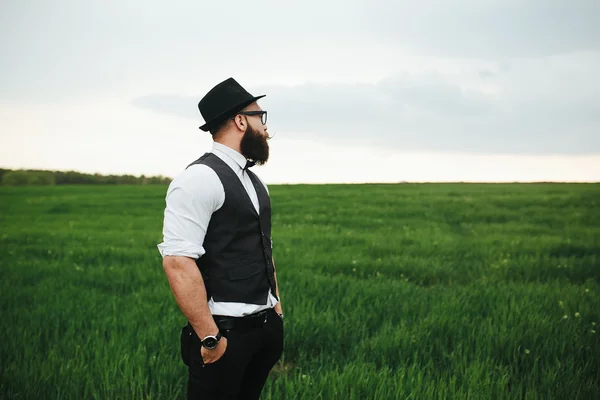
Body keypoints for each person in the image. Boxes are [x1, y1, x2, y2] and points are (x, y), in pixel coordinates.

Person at [157, 77, 284, 400]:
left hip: (265, 327)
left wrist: (276, 307)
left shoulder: (255, 182)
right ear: (241, 121)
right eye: (260, 117)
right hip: (225, 333)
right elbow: (177, 261)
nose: (266, 128)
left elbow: (263, 247)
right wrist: (209, 337)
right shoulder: (199, 179)